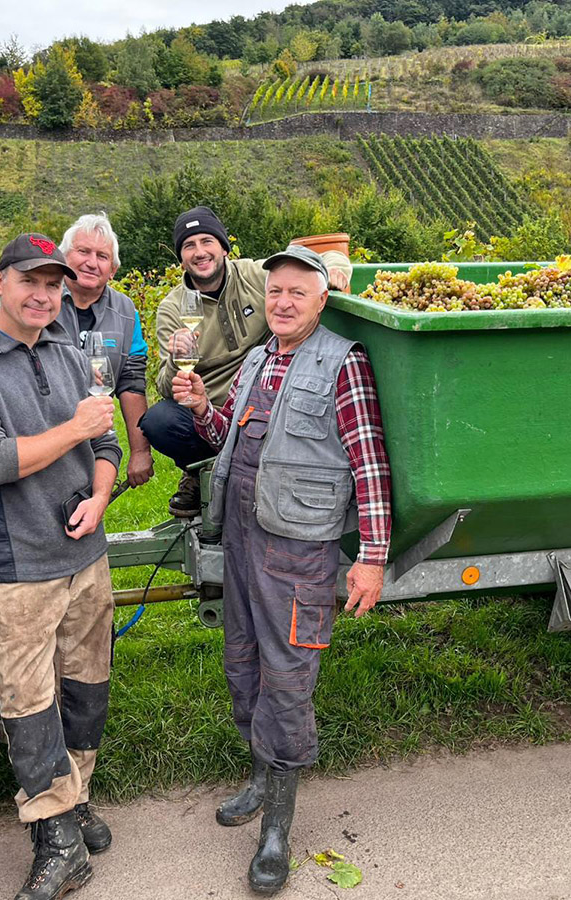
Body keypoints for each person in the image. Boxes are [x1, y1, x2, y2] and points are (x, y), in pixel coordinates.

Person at [171, 244, 391, 895]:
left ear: (322, 298)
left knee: (288, 678)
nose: (284, 302)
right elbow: (226, 441)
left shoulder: (342, 362)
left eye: (298, 292)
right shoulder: (259, 358)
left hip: (297, 551)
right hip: (242, 539)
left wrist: (373, 558)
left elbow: (369, 464)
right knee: (242, 664)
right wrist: (202, 411)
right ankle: (261, 779)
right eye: (275, 293)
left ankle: (278, 831)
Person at [0, 233, 121, 900]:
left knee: (85, 687)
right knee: (29, 701)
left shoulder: (68, 351)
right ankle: (56, 840)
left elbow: (105, 442)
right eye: (29, 281)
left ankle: (76, 798)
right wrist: (75, 429)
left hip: (84, 553)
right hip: (20, 563)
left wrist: (99, 496)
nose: (43, 295)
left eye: (54, 284)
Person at [140, 206, 352, 518]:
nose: (200, 252)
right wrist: (175, 359)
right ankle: (204, 473)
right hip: (209, 408)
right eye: (189, 246)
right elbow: (166, 386)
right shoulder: (173, 308)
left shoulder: (254, 275)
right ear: (181, 258)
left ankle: (245, 471)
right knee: (159, 421)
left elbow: (322, 258)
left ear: (224, 247)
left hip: (264, 397)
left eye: (207, 242)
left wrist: (335, 270)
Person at [56, 213, 154, 487]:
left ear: (113, 269)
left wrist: (140, 451)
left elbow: (131, 382)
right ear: (64, 258)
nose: (91, 262)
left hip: (97, 434)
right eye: (83, 251)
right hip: (45, 426)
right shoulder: (43, 300)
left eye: (102, 256)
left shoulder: (126, 311)